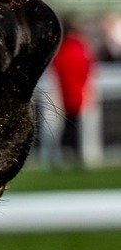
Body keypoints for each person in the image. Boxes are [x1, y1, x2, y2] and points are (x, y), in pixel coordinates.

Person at [51, 23, 94, 163]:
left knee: (70, 123)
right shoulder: (77, 47)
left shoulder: (64, 49)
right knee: (73, 123)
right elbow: (88, 66)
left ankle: (67, 153)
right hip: (75, 90)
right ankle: (74, 154)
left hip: (67, 90)